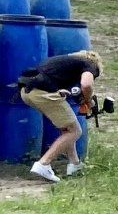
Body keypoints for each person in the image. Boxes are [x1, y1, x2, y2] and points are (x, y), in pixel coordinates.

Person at [17, 49, 104, 183]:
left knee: (67, 128)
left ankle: (74, 164)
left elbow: (49, 77)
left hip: (26, 91)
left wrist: (60, 91)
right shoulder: (89, 64)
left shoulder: (65, 62)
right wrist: (88, 100)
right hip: (41, 93)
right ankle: (43, 164)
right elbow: (86, 85)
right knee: (75, 131)